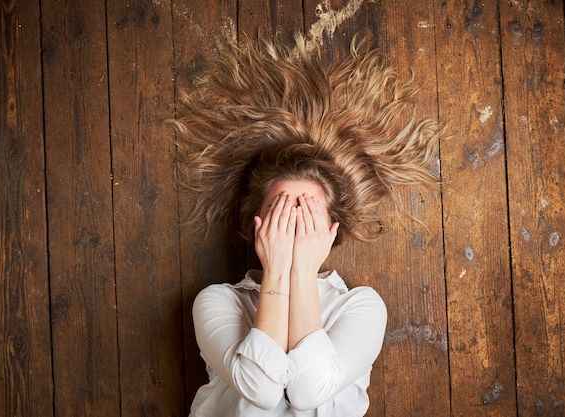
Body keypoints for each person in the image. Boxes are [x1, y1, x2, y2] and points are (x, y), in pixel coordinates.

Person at [172, 32, 441, 417]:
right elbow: (260, 390)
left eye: (308, 215)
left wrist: (300, 274)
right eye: (282, 211)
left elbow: (307, 391)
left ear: (331, 231)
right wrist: (279, 270)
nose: (294, 225)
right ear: (257, 224)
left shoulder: (361, 307)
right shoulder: (217, 302)